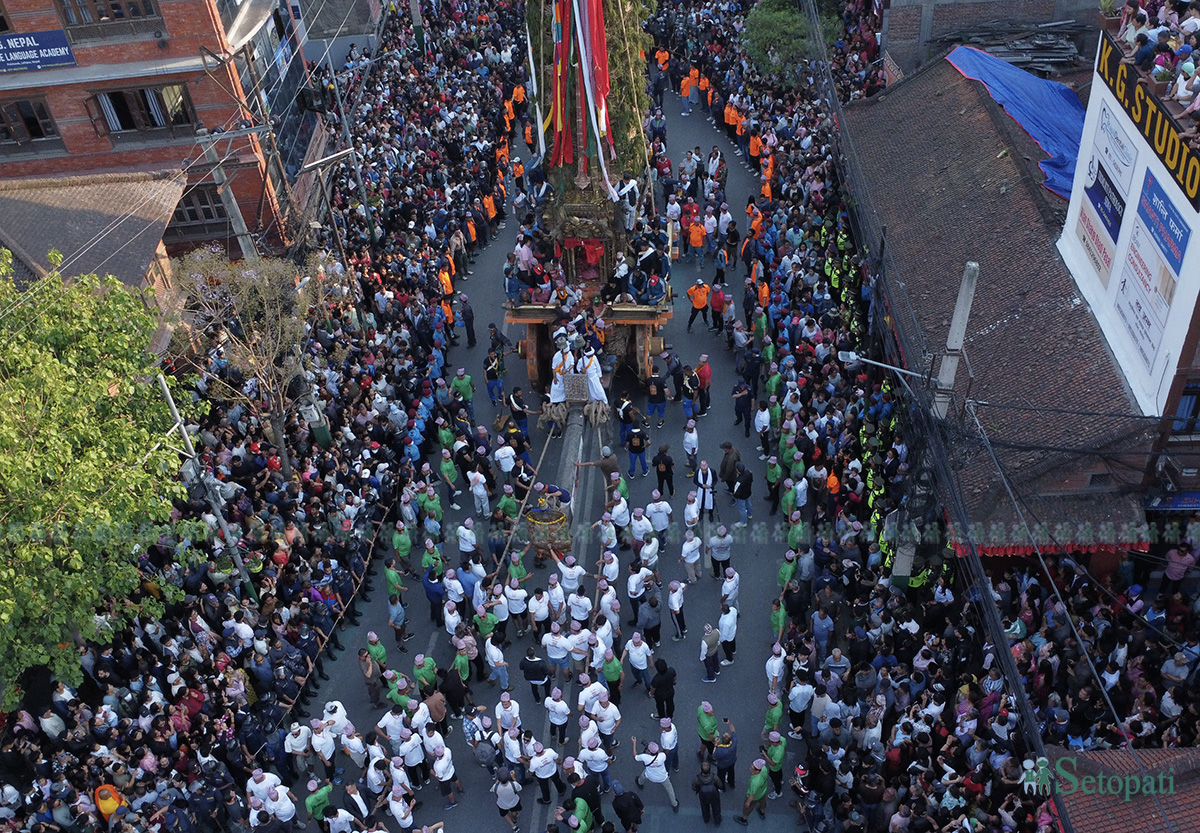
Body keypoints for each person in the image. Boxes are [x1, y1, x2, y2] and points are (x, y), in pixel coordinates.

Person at [631, 739, 678, 811]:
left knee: (643, 776)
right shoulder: (662, 756)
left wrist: (634, 743)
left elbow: (635, 756)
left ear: (649, 752)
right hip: (662, 777)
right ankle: (674, 803)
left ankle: (640, 783)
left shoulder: (645, 757)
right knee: (669, 788)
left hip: (650, 775)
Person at [732, 759, 770, 826]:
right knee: (762, 802)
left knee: (748, 808)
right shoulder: (764, 768)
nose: (750, 767)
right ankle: (762, 812)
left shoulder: (755, 782)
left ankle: (744, 819)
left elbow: (752, 794)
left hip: (754, 797)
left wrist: (748, 802)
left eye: (752, 767)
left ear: (757, 770)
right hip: (762, 792)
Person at [692, 761, 724, 825]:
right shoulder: (714, 777)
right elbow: (720, 785)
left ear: (701, 770)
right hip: (714, 795)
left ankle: (706, 819)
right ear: (709, 770)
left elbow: (693, 788)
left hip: (703, 795)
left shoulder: (697, 778)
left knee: (704, 807)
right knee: (716, 808)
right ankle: (717, 820)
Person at [491, 768, 523, 833]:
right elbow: (519, 789)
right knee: (514, 811)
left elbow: (493, 790)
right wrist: (514, 778)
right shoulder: (514, 784)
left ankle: (513, 826)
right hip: (514, 802)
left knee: (505, 814)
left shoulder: (495, 787)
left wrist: (497, 781)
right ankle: (514, 818)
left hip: (502, 804)